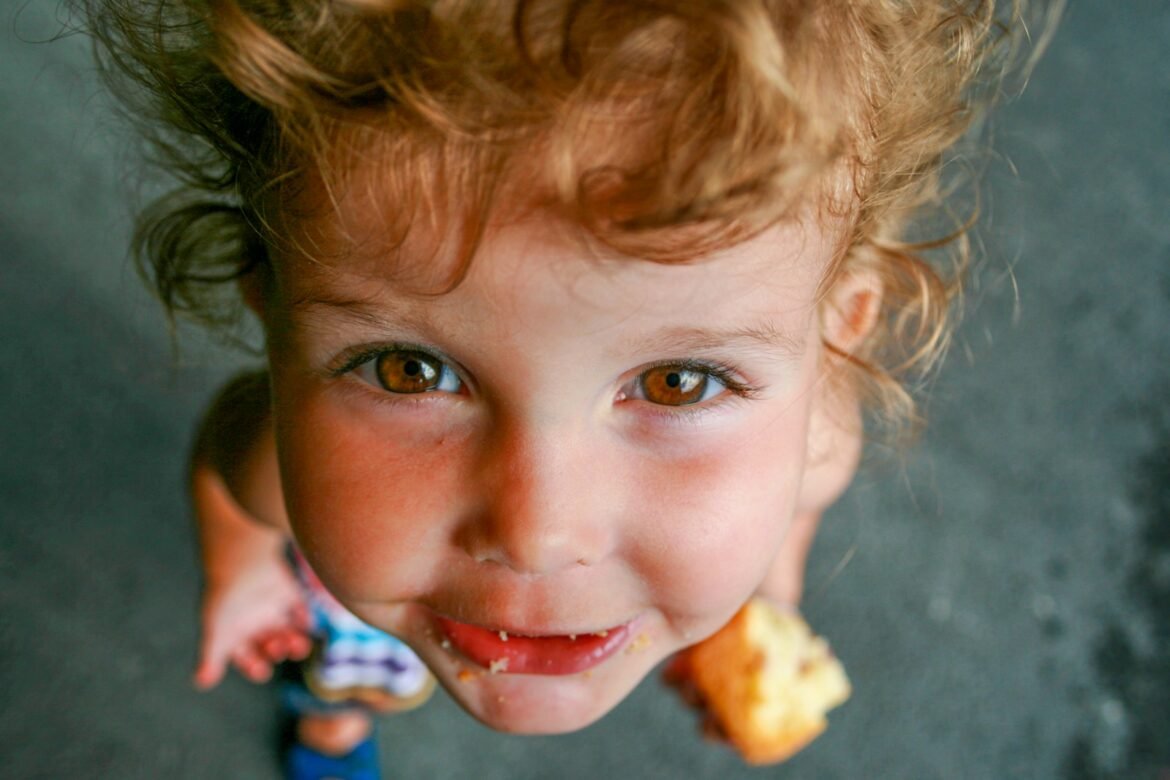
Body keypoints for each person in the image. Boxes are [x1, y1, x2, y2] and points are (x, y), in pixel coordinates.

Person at [82, 1, 1048, 776]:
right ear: (274, 307)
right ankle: (336, 725)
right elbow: (230, 478)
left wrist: (766, 604)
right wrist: (245, 574)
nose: (538, 536)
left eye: (679, 382)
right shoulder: (279, 474)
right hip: (343, 619)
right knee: (348, 673)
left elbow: (789, 525)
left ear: (836, 332)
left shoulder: (819, 449)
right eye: (409, 370)